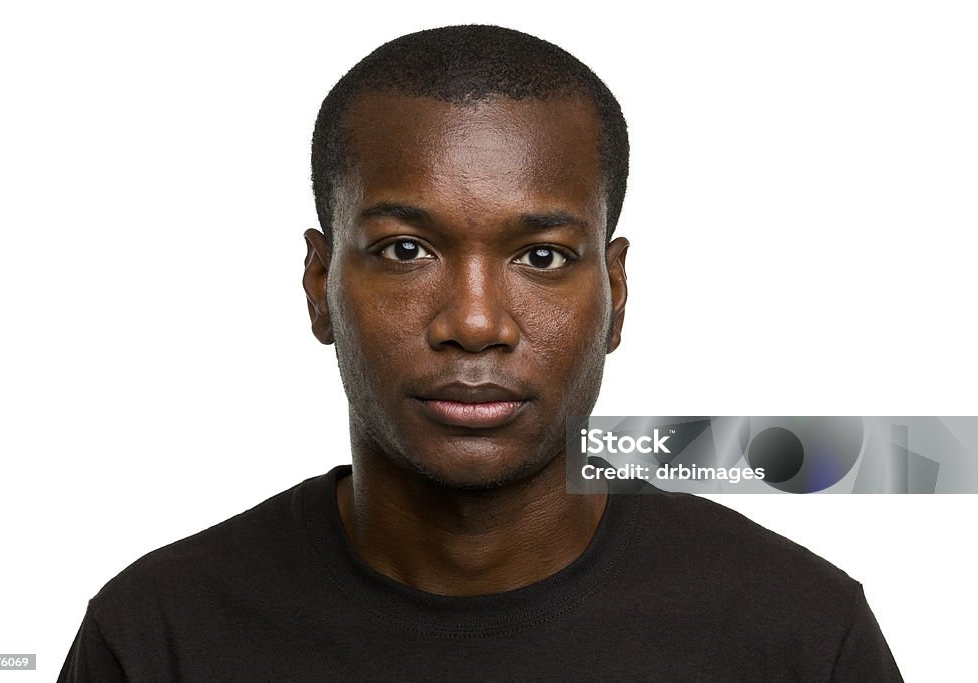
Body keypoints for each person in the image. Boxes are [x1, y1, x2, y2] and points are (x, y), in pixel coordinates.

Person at [58, 25, 902, 681]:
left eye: (540, 257)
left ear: (615, 293)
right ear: (319, 283)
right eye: (404, 250)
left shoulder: (798, 637)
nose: (474, 321)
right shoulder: (157, 637)